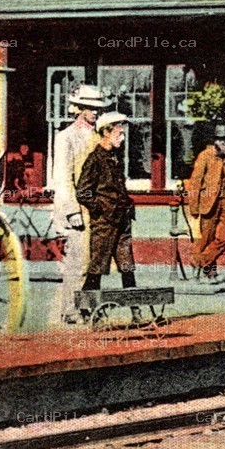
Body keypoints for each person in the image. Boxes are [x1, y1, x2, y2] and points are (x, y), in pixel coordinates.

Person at [48, 83, 107, 325]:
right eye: (90, 108)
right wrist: (72, 211)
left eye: (98, 109)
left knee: (96, 262)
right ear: (79, 108)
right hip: (76, 209)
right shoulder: (65, 138)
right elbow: (62, 177)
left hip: (98, 208)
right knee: (78, 262)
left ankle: (88, 307)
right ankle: (69, 309)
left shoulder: (99, 137)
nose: (95, 113)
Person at [74, 112, 138, 308]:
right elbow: (83, 192)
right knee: (97, 267)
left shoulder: (115, 157)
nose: (123, 137)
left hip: (122, 220)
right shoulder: (95, 159)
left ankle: (136, 311)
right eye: (119, 133)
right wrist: (101, 209)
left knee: (127, 266)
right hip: (104, 223)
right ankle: (86, 309)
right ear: (106, 132)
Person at [185, 123, 225, 280]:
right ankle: (208, 271)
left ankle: (197, 261)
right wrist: (194, 206)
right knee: (206, 238)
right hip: (208, 202)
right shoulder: (205, 156)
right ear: (214, 140)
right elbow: (195, 181)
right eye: (221, 139)